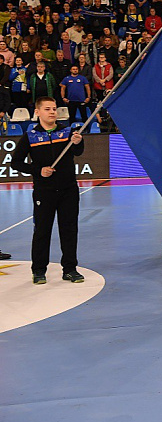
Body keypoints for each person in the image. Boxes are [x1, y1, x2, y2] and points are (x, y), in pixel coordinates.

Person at [10, 96, 85, 284]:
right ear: (37, 112)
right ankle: (38, 270)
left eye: (54, 109)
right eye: (48, 109)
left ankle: (70, 269)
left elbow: (78, 152)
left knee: (69, 229)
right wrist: (38, 170)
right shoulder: (31, 136)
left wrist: (78, 142)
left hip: (68, 190)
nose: (52, 112)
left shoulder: (67, 132)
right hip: (44, 191)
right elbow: (16, 162)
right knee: (42, 230)